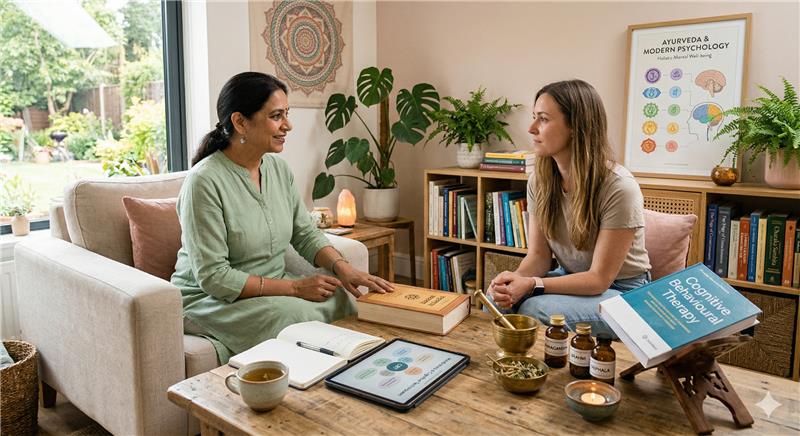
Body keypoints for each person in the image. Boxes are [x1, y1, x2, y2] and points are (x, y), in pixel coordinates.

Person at [171, 72, 393, 363]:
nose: (287, 125)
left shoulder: (278, 170)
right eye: (276, 116)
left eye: (286, 114)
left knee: (340, 296)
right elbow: (214, 278)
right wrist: (295, 288)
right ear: (240, 122)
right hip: (210, 299)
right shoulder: (204, 182)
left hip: (271, 285)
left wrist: (342, 267)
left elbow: (305, 233)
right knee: (294, 315)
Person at [487, 79, 651, 336]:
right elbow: (540, 256)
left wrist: (532, 285)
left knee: (533, 309)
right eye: (534, 118)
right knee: (496, 303)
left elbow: (598, 279)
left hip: (624, 294)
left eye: (542, 119)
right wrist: (513, 283)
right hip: (570, 278)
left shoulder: (619, 187)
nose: (531, 129)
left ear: (576, 126)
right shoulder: (539, 181)